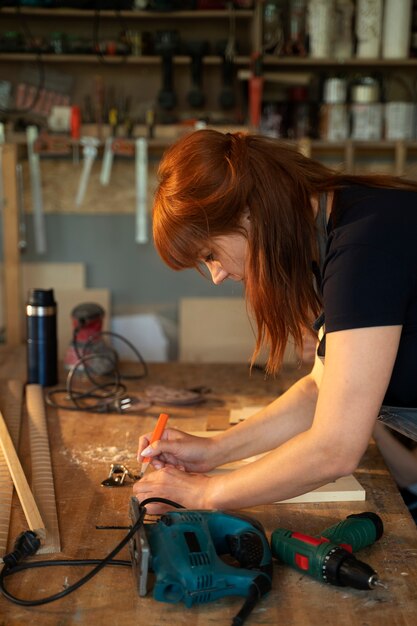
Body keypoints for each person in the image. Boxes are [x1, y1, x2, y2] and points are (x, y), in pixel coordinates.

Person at [133, 129, 417, 512]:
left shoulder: (364, 248)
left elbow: (336, 449)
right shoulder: (333, 233)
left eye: (210, 254)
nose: (216, 275)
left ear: (248, 212)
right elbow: (321, 388)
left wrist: (204, 494)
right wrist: (213, 452)